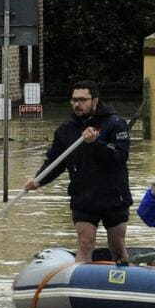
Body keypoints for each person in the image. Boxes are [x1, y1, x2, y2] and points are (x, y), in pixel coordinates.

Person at [24, 80, 131, 264]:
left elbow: (119, 157)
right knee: (85, 241)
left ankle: (124, 279)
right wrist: (38, 180)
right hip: (83, 197)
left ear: (95, 101)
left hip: (113, 196)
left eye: (82, 100)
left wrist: (95, 144)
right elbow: (55, 162)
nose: (77, 104)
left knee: (117, 244)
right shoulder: (65, 130)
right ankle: (80, 280)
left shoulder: (115, 124)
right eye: (74, 100)